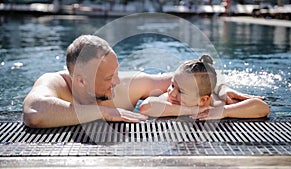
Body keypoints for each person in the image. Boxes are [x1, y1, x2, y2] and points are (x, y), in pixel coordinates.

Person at [23, 35, 260, 128]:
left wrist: (223, 88)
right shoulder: (55, 84)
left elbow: (194, 80)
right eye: (108, 77)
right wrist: (102, 112)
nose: (117, 82)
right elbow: (34, 113)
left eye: (116, 71)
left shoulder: (129, 84)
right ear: (81, 81)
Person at [140, 55, 270, 120]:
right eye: (172, 84)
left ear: (203, 100)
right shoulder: (170, 99)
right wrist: (194, 110)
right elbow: (146, 107)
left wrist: (225, 111)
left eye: (180, 91)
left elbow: (262, 107)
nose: (171, 92)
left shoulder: (218, 103)